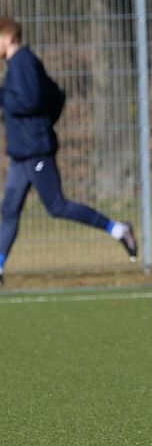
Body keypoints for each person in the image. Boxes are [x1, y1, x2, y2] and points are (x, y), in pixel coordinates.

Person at [0, 17, 137, 287]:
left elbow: (29, 100)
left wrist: (35, 124)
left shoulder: (24, 62)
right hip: (22, 153)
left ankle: (119, 230)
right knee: (9, 210)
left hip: (36, 151)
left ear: (9, 38)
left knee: (57, 206)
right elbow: (55, 95)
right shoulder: (18, 66)